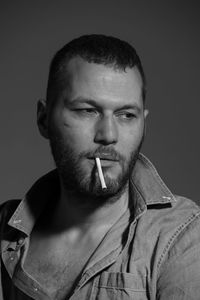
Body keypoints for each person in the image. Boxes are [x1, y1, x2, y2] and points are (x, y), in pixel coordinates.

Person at [0, 34, 200, 300]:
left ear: (143, 122)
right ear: (44, 119)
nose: (108, 135)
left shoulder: (183, 237)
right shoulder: (5, 226)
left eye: (126, 115)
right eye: (87, 111)